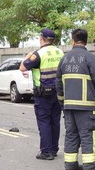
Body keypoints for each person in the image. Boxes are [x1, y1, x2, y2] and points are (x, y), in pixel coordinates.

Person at [56, 28, 95, 170]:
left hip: (69, 106)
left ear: (73, 41)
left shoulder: (64, 59)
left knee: (71, 134)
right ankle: (90, 166)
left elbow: (58, 84)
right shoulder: (90, 58)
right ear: (86, 42)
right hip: (86, 106)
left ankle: (70, 165)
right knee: (87, 134)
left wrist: (62, 103)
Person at [19, 28, 64, 160]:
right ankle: (54, 149)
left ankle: (46, 151)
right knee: (55, 121)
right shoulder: (60, 52)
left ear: (41, 38)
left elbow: (22, 67)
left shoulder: (38, 54)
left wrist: (28, 55)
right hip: (58, 91)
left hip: (43, 93)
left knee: (44, 121)